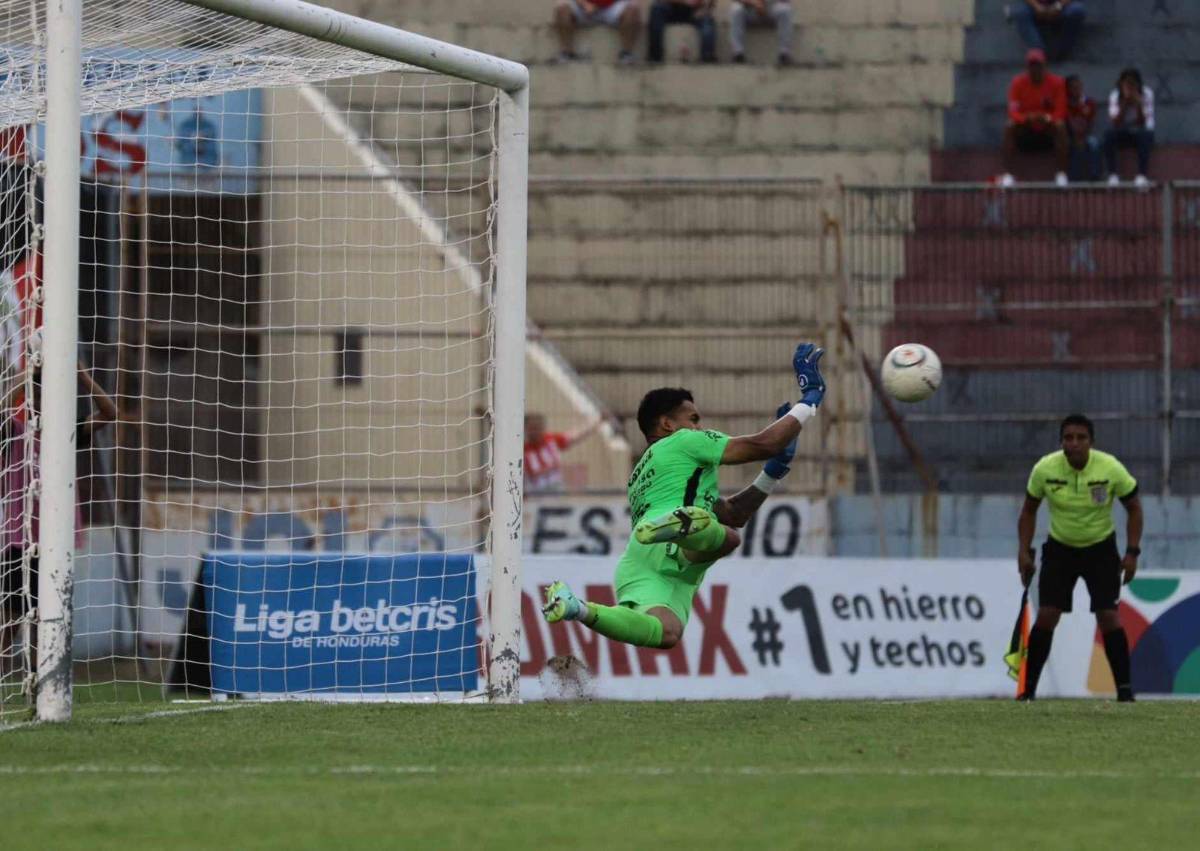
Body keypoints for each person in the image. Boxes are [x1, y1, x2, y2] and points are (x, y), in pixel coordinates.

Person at [541, 343, 825, 650]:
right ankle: (683, 527)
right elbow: (763, 443)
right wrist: (809, 400)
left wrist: (774, 470)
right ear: (667, 424)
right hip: (672, 544)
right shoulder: (684, 441)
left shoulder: (644, 473)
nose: (698, 427)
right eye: (693, 418)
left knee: (667, 634)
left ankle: (578, 608)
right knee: (728, 539)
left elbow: (733, 514)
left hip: (640, 557)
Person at [1016, 414, 1142, 702]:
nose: (1074, 443)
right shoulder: (1045, 469)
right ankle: (1028, 691)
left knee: (1108, 617)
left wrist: (1132, 552)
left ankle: (1124, 692)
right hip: (1060, 549)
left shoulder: (1110, 468)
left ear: (1091, 442)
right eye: (1068, 438)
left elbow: (1134, 507)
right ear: (1061, 442)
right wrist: (1024, 550)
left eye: (1080, 438)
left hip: (1100, 549)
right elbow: (1028, 510)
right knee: (1047, 615)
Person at [1000, 49, 1069, 187]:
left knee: (1060, 126)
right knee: (1009, 126)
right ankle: (1008, 174)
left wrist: (1047, 118)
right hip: (1026, 127)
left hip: (1047, 127)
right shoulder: (1017, 83)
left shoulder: (1057, 83)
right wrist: (1027, 118)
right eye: (1032, 65)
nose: (1035, 69)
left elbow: (1061, 110)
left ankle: (1061, 174)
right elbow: (1012, 111)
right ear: (1027, 67)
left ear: (1044, 66)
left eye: (1038, 65)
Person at [523, 412, 605, 494]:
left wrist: (598, 422)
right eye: (532, 428)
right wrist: (549, 468)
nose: (535, 431)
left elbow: (576, 435)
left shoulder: (550, 440)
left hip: (556, 489)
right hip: (535, 493)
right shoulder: (523, 449)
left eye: (538, 428)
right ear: (525, 429)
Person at [1104, 68, 1155, 187]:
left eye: (1133, 83)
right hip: (1122, 130)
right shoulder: (1115, 95)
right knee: (1108, 135)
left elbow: (1143, 122)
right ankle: (1113, 175)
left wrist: (1138, 104)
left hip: (1142, 130)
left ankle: (1142, 175)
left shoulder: (1147, 93)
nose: (1130, 87)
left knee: (1145, 136)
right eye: (1127, 83)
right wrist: (1125, 103)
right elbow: (1115, 122)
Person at [552, 0, 642, 65]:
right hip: (585, 8)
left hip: (611, 7)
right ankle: (567, 54)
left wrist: (598, 5)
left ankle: (626, 54)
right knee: (561, 6)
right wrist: (584, 3)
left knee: (633, 7)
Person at [1011, 1, 1087, 61]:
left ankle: (1063, 50)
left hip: (1060, 6)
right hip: (1036, 7)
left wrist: (1058, 7)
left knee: (1077, 10)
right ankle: (1038, 51)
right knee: (1021, 13)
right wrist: (1036, 7)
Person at [647, 0, 717, 64]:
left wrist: (705, 9)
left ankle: (707, 58)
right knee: (656, 8)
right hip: (669, 9)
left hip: (694, 12)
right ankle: (655, 57)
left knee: (707, 21)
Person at [729, 0, 794, 66]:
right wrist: (754, 3)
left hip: (771, 9)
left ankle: (784, 54)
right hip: (749, 10)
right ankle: (738, 54)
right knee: (736, 9)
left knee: (785, 10)